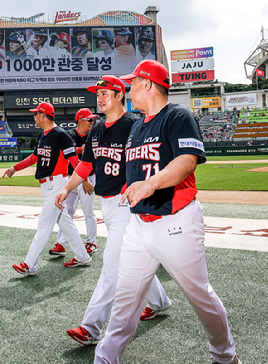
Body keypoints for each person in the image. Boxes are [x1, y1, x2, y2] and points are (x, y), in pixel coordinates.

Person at [93, 61, 240, 364]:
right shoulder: (136, 126)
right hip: (138, 224)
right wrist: (133, 187)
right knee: (125, 301)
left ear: (147, 84)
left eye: (132, 83)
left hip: (176, 220)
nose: (129, 89)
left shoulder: (177, 116)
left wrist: (150, 184)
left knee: (200, 297)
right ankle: (105, 359)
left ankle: (225, 357)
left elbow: (187, 160)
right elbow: (140, 169)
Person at [53, 75, 171, 349]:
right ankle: (159, 301)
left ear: (120, 95)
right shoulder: (97, 131)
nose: (100, 98)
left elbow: (150, 159)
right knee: (134, 256)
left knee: (112, 263)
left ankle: (91, 326)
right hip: (106, 202)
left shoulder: (134, 125)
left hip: (126, 203)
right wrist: (67, 189)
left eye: (106, 93)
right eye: (98, 94)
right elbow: (84, 166)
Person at [3, 102, 92, 276]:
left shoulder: (61, 135)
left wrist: (84, 180)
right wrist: (15, 168)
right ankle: (82, 256)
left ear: (43, 116)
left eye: (36, 114)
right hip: (47, 185)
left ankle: (29, 265)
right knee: (65, 223)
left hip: (56, 185)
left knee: (44, 226)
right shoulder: (43, 135)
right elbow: (33, 157)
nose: (34, 117)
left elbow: (74, 160)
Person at [49, 108, 98, 256]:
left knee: (88, 211)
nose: (92, 122)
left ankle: (91, 243)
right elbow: (66, 153)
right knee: (67, 211)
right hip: (72, 177)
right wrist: (79, 149)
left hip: (88, 178)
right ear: (80, 120)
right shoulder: (68, 135)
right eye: (89, 119)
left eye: (93, 119)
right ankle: (61, 244)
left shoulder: (94, 135)